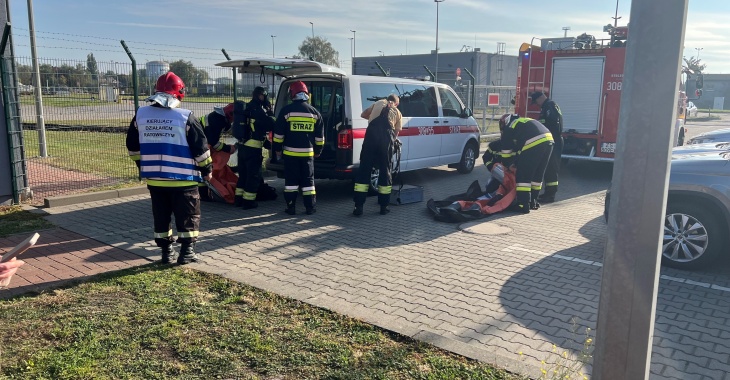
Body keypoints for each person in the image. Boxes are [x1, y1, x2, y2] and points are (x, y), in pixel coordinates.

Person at [126, 72, 213, 264]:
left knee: (162, 216)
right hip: (184, 180)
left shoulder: (140, 114)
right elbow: (201, 149)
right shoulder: (185, 117)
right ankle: (187, 252)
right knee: (188, 216)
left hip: (155, 180)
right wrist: (207, 170)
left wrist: (143, 165)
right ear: (179, 93)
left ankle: (166, 253)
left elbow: (132, 146)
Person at [273, 81, 324, 215]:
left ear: (292, 94)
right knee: (308, 182)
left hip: (290, 155)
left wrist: (277, 148)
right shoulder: (315, 113)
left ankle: (291, 207)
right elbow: (320, 137)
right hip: (308, 155)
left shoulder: (286, 111)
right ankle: (310, 208)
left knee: (291, 182)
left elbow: (278, 134)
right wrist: (318, 151)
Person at [353, 94, 402, 216]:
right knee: (385, 172)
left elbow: (363, 114)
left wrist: (373, 117)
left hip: (371, 137)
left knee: (364, 170)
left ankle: (358, 207)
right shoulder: (397, 112)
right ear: (396, 103)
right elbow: (396, 133)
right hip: (385, 140)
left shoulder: (378, 103)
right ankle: (383, 207)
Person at [498, 114, 554, 214]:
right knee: (537, 173)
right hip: (549, 139)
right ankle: (533, 201)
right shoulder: (523, 122)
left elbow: (506, 153)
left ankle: (523, 205)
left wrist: (508, 165)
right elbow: (520, 150)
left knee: (523, 175)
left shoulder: (509, 127)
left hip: (534, 140)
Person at [233, 86, 276, 209]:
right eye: (264, 96)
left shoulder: (246, 108)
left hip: (242, 148)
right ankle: (248, 202)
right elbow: (271, 124)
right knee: (253, 176)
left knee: (243, 175)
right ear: (260, 96)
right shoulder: (258, 110)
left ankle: (238, 200)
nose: (265, 98)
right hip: (253, 149)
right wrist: (270, 112)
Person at [198, 101, 239, 202]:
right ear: (231, 115)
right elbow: (214, 143)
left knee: (209, 165)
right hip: (199, 144)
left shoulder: (222, 117)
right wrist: (229, 149)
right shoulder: (217, 120)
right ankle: (204, 196)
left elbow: (230, 130)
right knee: (204, 167)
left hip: (203, 142)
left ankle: (205, 193)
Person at [530, 91, 563, 203]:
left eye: (536, 102)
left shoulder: (549, 106)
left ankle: (551, 195)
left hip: (554, 140)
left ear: (540, 98)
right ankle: (548, 193)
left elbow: (552, 121)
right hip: (552, 139)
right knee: (549, 168)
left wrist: (538, 123)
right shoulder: (549, 105)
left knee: (552, 168)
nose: (537, 104)